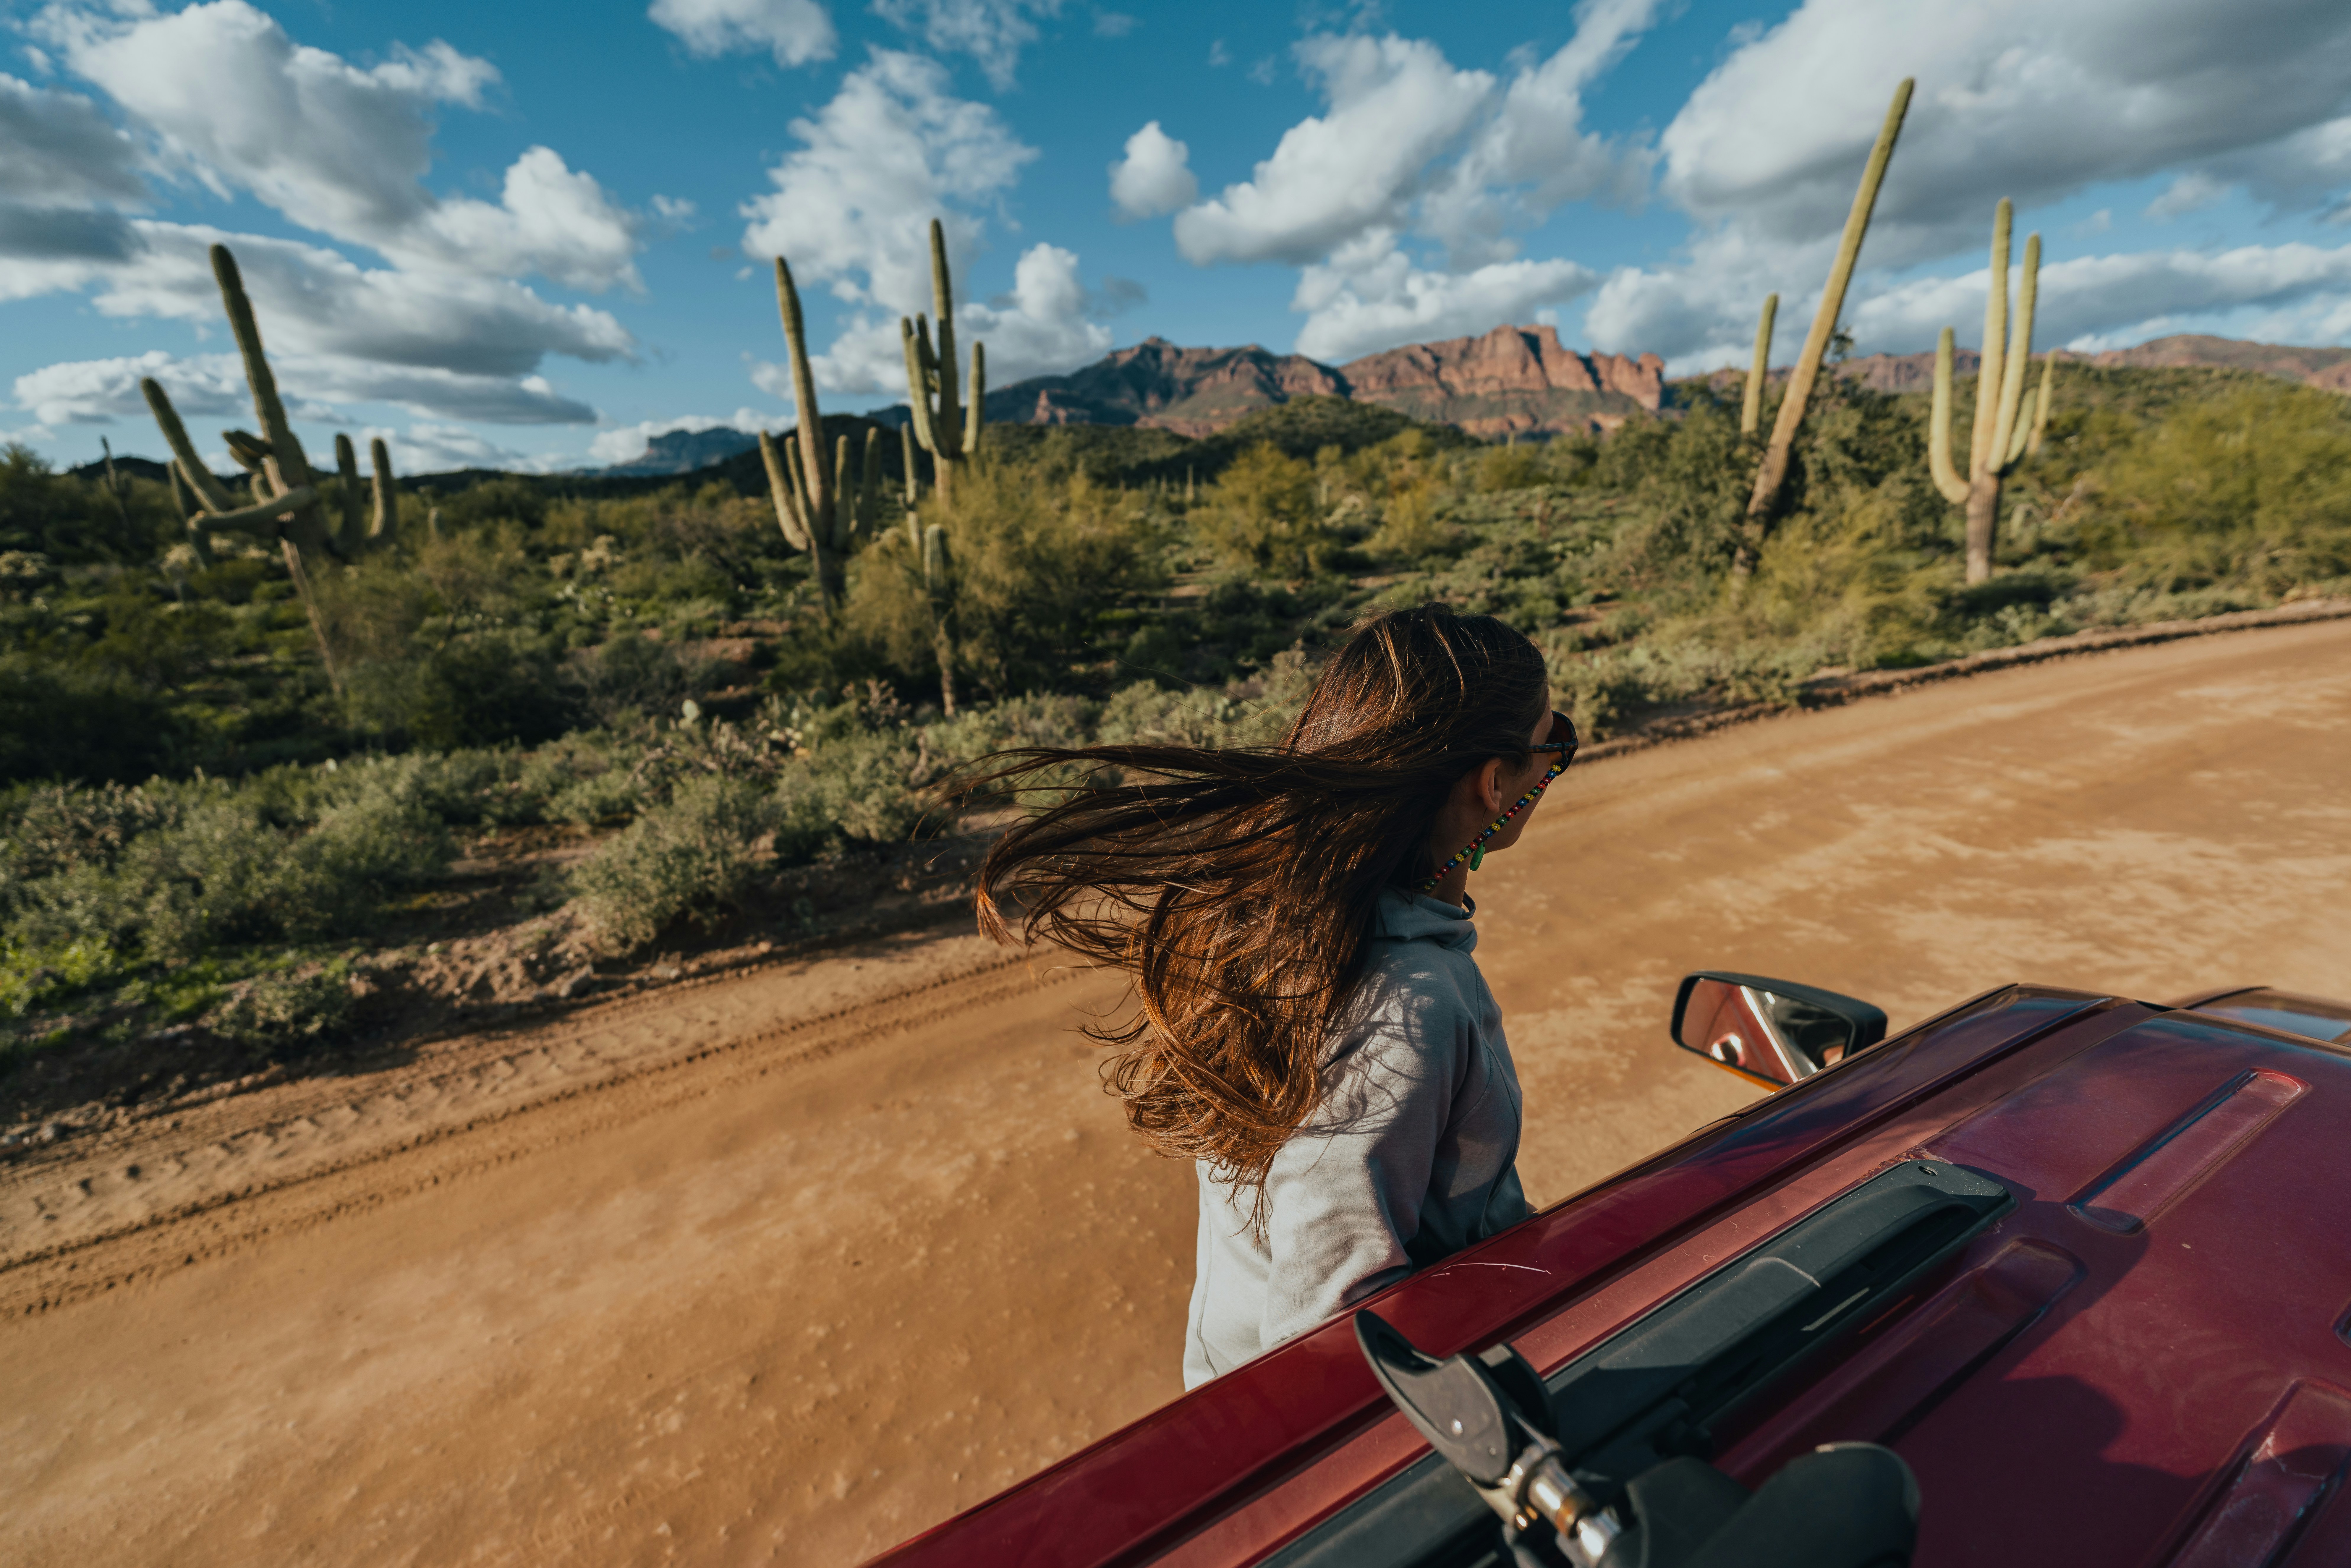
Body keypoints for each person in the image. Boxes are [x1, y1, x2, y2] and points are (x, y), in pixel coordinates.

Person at [964, 604, 1578, 1386]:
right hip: (1309, 1431)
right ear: (1497, 785)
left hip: (1236, 1379)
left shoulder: (1277, 917)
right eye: (1550, 745)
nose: (1552, 763)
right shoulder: (1407, 1008)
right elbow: (1333, 1326)